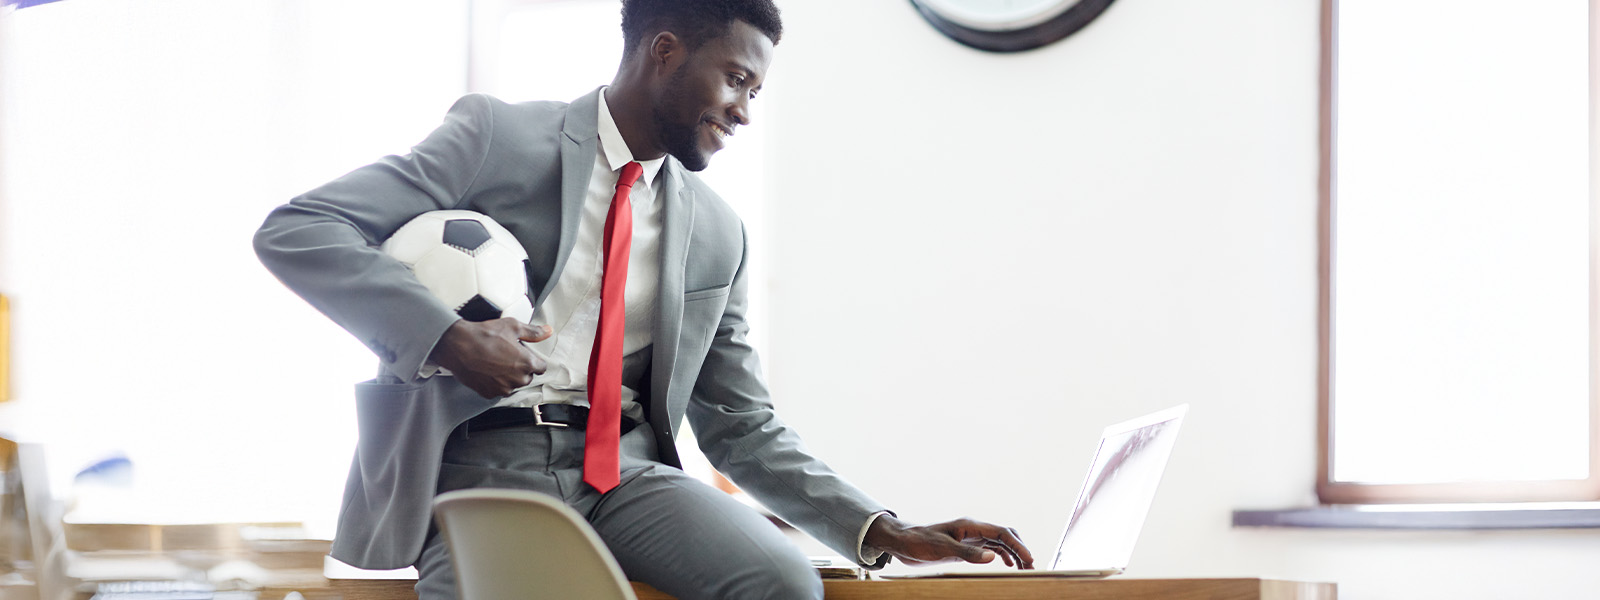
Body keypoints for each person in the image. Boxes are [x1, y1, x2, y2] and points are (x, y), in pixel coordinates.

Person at [253, 1, 1033, 598]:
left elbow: (741, 423)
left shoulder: (718, 233)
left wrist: (881, 527)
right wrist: (447, 338)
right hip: (487, 460)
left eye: (756, 91)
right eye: (736, 80)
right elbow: (301, 228)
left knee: (784, 583)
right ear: (665, 51)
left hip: (626, 474)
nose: (745, 110)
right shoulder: (499, 137)